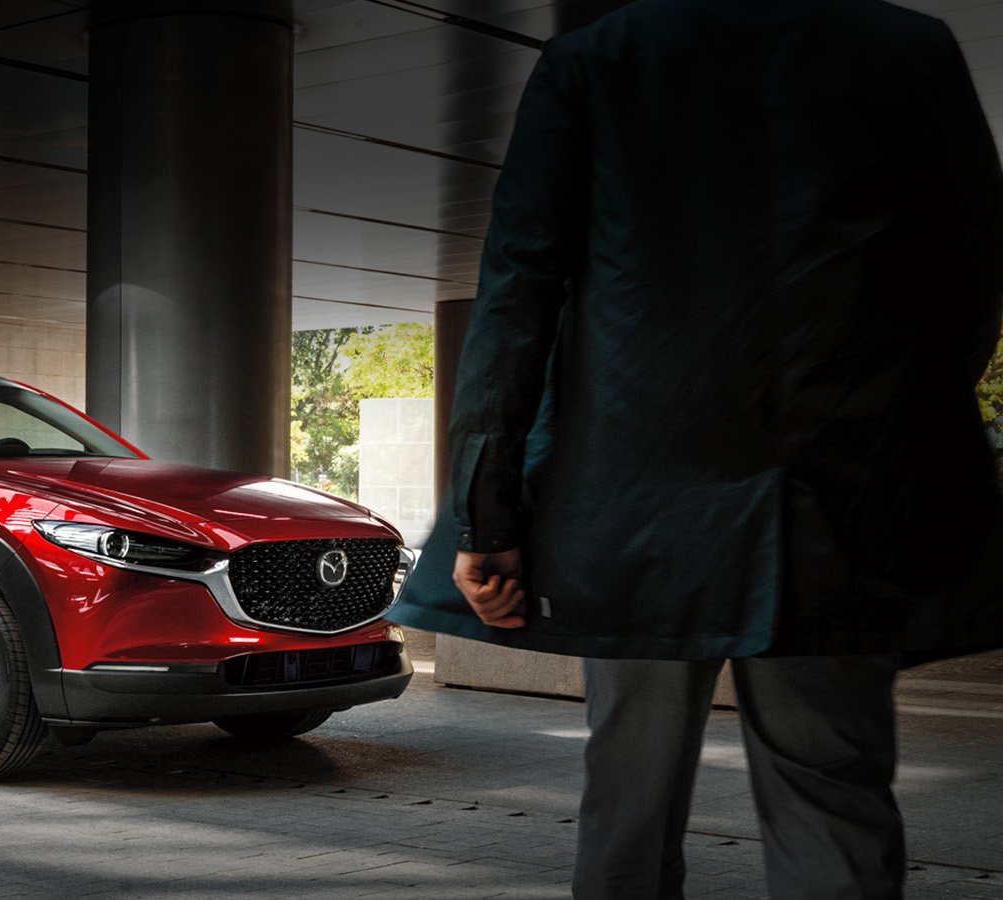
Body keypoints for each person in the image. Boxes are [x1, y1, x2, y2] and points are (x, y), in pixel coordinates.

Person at [390, 0, 1003, 897]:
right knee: (833, 794)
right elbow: (970, 270)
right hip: (834, 508)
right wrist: (887, 437)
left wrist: (490, 514)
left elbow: (519, 291)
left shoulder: (592, 61)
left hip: (632, 507)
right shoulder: (908, 48)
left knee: (627, 802)